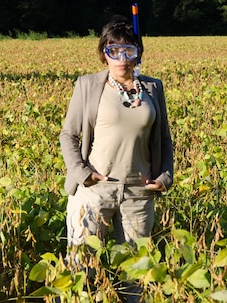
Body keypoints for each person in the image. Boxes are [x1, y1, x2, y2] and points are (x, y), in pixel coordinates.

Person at [60, 15, 174, 250]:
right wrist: (83, 174)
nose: (122, 59)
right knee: (82, 265)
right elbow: (68, 135)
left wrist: (165, 176)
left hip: (138, 193)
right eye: (114, 51)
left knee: (136, 269)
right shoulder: (87, 85)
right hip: (94, 190)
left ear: (138, 54)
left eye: (129, 51)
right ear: (104, 54)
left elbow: (163, 138)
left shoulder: (153, 88)